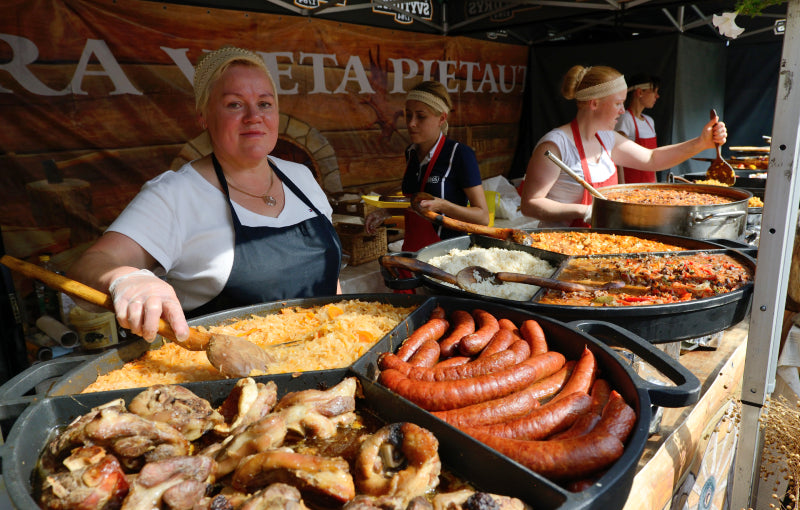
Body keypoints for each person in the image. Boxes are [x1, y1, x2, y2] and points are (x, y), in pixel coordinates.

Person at [67, 46, 342, 342]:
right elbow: (91, 264)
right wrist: (127, 278)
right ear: (204, 116)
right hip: (233, 382)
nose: (254, 116)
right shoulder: (175, 195)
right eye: (235, 104)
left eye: (264, 103)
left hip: (334, 358)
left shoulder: (301, 177)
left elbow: (330, 281)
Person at [520, 65, 727, 228]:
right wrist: (582, 211)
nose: (622, 111)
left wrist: (701, 143)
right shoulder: (556, 146)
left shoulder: (607, 138)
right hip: (559, 247)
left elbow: (652, 159)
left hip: (601, 243)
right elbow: (530, 204)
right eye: (618, 103)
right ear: (594, 103)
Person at [365, 81, 489, 252]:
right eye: (408, 115)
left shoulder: (459, 154)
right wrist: (386, 212)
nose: (411, 123)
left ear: (442, 118)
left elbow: (482, 217)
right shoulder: (411, 152)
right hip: (414, 250)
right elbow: (416, 205)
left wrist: (443, 206)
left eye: (421, 116)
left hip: (449, 254)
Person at [615, 73, 662, 184]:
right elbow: (619, 159)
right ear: (640, 92)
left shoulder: (649, 121)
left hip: (650, 186)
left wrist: (656, 184)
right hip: (632, 186)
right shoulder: (625, 118)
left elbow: (653, 159)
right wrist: (622, 187)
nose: (657, 96)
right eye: (654, 92)